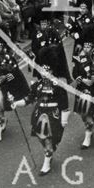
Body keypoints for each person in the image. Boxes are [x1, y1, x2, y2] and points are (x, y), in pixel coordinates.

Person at [11, 46, 70, 175]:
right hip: (39, 115)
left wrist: (64, 119)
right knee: (42, 138)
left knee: (49, 140)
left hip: (52, 115)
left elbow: (64, 103)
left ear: (52, 71)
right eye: (43, 70)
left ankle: (47, 161)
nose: (45, 72)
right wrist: (16, 103)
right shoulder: (37, 85)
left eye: (47, 70)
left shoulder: (58, 85)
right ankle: (48, 152)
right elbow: (28, 99)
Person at [0, 39, 30, 144]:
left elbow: (15, 72)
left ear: (3, 47)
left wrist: (4, 78)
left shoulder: (9, 58)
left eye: (0, 47)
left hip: (5, 88)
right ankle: (3, 120)